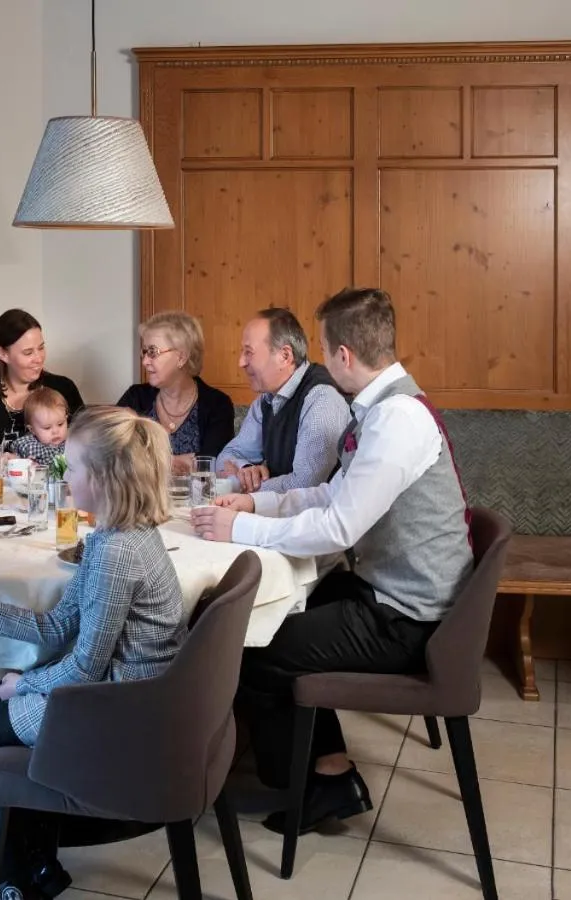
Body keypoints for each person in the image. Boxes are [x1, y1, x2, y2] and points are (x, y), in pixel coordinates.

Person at [190, 288, 474, 836]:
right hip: (390, 593)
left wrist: (244, 528)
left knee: (255, 648)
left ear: (344, 355)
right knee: (274, 617)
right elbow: (329, 495)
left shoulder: (397, 422)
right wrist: (252, 505)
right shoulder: (384, 412)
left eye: (322, 348)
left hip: (409, 617)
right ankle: (327, 771)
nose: (319, 358)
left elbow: (340, 528)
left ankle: (314, 783)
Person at [0, 406, 187, 899]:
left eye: (72, 467)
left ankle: (13, 876)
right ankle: (39, 864)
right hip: (127, 691)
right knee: (5, 701)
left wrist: (26, 684)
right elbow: (60, 627)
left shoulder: (117, 553)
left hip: (119, 708)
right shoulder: (116, 534)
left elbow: (84, 667)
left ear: (100, 479)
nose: (65, 474)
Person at [215, 308, 349, 494]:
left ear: (285, 356)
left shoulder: (322, 399)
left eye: (249, 352)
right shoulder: (266, 400)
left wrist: (241, 486)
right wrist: (246, 470)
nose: (241, 362)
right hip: (280, 517)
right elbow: (226, 457)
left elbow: (304, 486)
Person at [0, 309, 84, 472]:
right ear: (3, 354)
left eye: (41, 348)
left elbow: (89, 448)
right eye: (28, 352)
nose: (39, 358)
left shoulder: (63, 388)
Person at [116, 311, 234, 474]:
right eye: (144, 352)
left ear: (181, 357)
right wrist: (181, 462)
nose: (144, 361)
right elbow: (113, 454)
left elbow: (212, 463)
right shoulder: (135, 397)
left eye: (153, 352)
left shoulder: (217, 404)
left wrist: (146, 461)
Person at [5, 386, 68, 467]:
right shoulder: (28, 446)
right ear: (32, 430)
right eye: (47, 427)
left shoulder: (72, 444)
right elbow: (13, 461)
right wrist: (21, 462)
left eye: (60, 424)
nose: (55, 431)